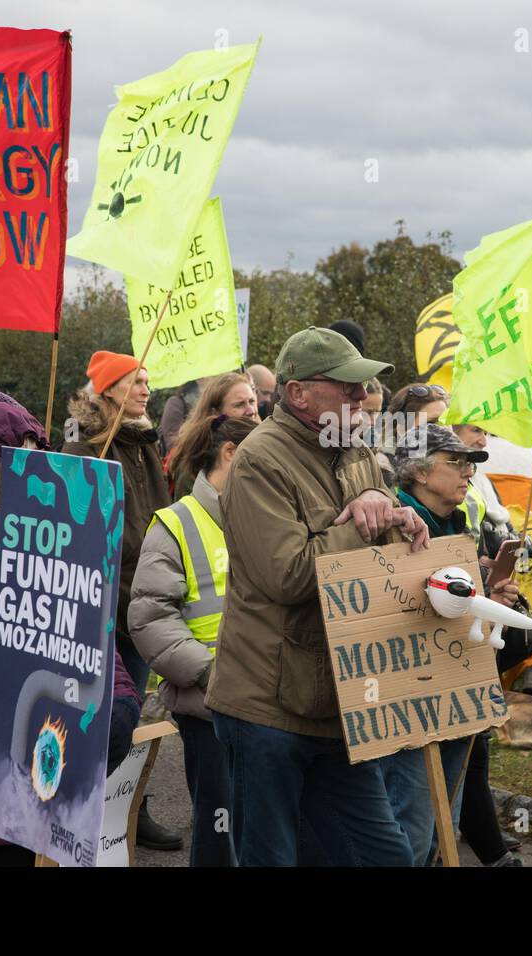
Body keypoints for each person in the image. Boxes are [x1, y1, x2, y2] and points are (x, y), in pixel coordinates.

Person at [205, 326, 428, 866]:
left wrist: (396, 513)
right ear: (298, 393)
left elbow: (378, 547)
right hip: (267, 707)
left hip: (342, 699)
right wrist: (363, 525)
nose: (361, 395)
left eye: (363, 385)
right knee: (272, 858)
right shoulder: (260, 460)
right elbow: (289, 575)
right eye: (346, 385)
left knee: (385, 857)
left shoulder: (357, 450)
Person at [0, 399, 141, 865]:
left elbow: (93, 630)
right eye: (16, 456)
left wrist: (120, 704)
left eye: (36, 453)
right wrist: (72, 697)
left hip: (56, 771)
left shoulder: (60, 531)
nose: (33, 469)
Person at [382, 424, 523, 866]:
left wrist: (490, 597)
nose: (468, 472)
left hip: (457, 685)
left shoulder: (460, 523)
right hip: (407, 697)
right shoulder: (389, 526)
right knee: (413, 822)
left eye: (470, 464)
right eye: (456, 462)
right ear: (420, 472)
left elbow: (453, 602)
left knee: (447, 822)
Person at [130, 414, 258, 867]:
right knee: (219, 829)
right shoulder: (175, 522)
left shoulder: (266, 511)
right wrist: (209, 674)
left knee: (266, 824)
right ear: (229, 453)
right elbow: (149, 618)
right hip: (210, 705)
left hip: (271, 700)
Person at [61, 351, 176, 851]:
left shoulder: (145, 440)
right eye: (136, 381)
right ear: (107, 390)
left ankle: (130, 810)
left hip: (143, 597)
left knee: (131, 715)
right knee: (101, 714)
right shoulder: (84, 443)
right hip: (102, 602)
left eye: (148, 381)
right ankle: (77, 814)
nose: (147, 389)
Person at [166, 372, 259, 498]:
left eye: (252, 401)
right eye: (239, 404)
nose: (251, 411)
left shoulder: (263, 447)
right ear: (216, 412)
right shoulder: (196, 464)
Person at [377, 383, 450, 485]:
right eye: (431, 423)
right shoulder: (382, 471)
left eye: (446, 421)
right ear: (401, 429)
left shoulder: (459, 465)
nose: (445, 430)